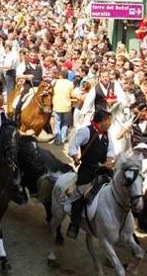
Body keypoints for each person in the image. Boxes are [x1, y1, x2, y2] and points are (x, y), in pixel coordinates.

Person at [66, 109, 115, 239]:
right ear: (102, 121)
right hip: (88, 170)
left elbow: (111, 150)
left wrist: (109, 160)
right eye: (109, 120)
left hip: (103, 171)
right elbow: (73, 144)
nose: (110, 123)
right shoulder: (86, 131)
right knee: (80, 194)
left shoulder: (107, 134)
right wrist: (75, 156)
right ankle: (74, 224)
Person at [14, 47, 43, 121]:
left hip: (40, 85)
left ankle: (47, 123)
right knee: (21, 100)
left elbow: (44, 74)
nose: (33, 57)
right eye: (31, 55)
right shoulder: (24, 64)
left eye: (34, 56)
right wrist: (26, 76)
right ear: (29, 55)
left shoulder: (40, 63)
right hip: (29, 85)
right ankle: (16, 118)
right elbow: (17, 76)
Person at [52, 68, 74, 146]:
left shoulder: (55, 82)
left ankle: (58, 140)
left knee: (57, 122)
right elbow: (72, 94)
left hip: (57, 105)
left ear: (60, 75)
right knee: (64, 123)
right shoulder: (70, 84)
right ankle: (63, 138)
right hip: (66, 106)